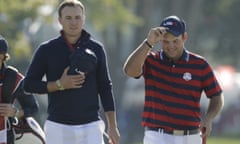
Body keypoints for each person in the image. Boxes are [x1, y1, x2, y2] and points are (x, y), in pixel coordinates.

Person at [23, 0, 120, 144]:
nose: (73, 22)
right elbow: (29, 85)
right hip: (57, 126)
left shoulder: (97, 49)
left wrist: (112, 126)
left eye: (77, 17)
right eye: (68, 18)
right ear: (59, 20)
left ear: (83, 18)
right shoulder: (46, 49)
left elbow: (105, 87)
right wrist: (59, 84)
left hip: (91, 125)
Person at [123, 15, 224, 144]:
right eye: (166, 41)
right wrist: (148, 43)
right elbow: (129, 71)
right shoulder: (150, 60)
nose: (170, 46)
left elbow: (216, 96)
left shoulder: (200, 64)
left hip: (190, 136)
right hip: (157, 136)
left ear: (184, 37)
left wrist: (209, 118)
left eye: (175, 41)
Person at [0, 36, 39, 144]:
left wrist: (16, 113)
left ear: (3, 56)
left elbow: (33, 107)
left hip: (4, 136)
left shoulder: (14, 79)